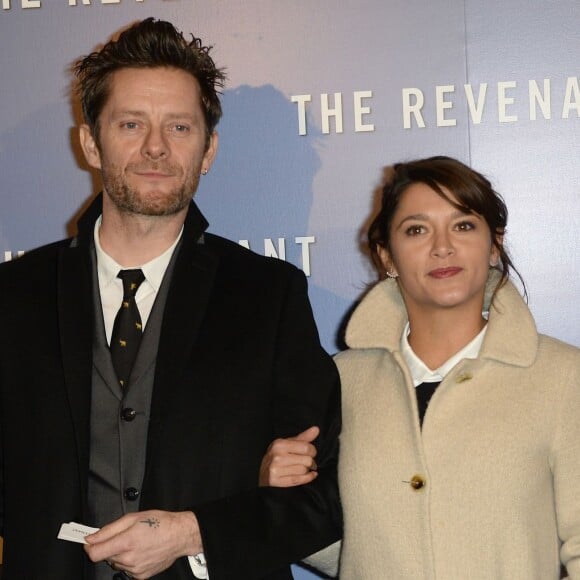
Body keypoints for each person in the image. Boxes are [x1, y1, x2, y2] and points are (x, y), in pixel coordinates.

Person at [0, 18, 341, 580]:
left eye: (179, 127)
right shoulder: (13, 298)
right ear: (90, 142)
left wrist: (193, 532)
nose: (155, 147)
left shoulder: (268, 296)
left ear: (207, 150)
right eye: (131, 123)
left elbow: (325, 498)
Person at [261, 156, 580, 579]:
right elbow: (350, 546)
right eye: (416, 230)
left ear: (494, 245)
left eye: (463, 225)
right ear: (386, 257)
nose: (442, 246)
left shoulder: (562, 376)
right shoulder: (340, 382)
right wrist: (279, 496)